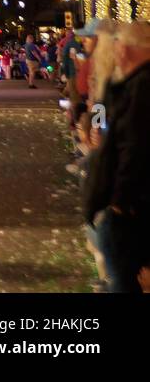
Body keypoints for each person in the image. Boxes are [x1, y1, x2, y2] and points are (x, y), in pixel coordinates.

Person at [83, 21, 150, 293]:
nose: (89, 44)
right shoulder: (114, 74)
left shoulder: (127, 79)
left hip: (128, 201)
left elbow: (131, 144)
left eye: (94, 39)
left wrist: (120, 202)